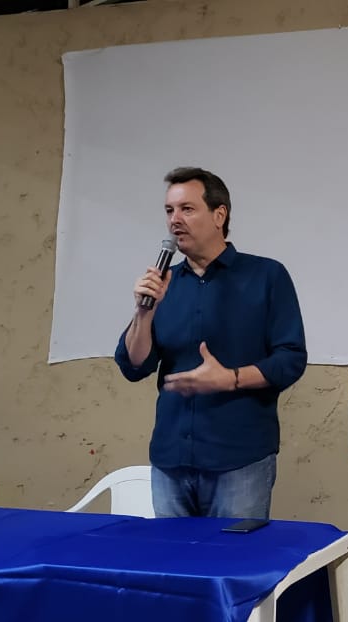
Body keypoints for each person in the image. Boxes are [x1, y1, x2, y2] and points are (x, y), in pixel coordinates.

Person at [114, 166, 307, 519]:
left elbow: (291, 359)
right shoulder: (165, 283)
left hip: (239, 460)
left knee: (234, 555)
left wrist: (230, 378)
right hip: (171, 461)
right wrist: (144, 313)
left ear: (219, 215)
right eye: (169, 210)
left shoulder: (266, 276)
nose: (175, 220)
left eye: (187, 209)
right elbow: (134, 366)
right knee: (173, 556)